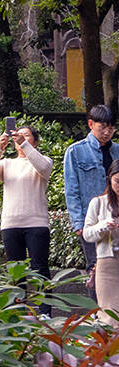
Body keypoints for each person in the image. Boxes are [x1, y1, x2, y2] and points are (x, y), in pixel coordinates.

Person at [0, 124, 53, 312]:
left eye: (27, 136)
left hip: (37, 223)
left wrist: (26, 146)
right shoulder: (7, 164)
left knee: (40, 269)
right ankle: (18, 312)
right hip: (11, 224)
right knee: (16, 271)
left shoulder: (43, 160)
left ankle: (45, 312)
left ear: (35, 141)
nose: (21, 139)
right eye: (18, 136)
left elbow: (44, 167)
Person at [65, 104, 117, 279]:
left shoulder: (117, 150)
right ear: (90, 124)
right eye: (102, 127)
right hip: (91, 219)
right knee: (94, 268)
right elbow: (72, 190)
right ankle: (97, 306)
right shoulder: (75, 151)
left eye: (111, 128)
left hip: (116, 217)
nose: (107, 132)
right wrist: (78, 223)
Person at [82, 162, 119, 321]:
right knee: (109, 312)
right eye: (117, 181)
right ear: (110, 180)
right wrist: (103, 226)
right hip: (107, 261)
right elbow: (87, 234)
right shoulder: (98, 202)